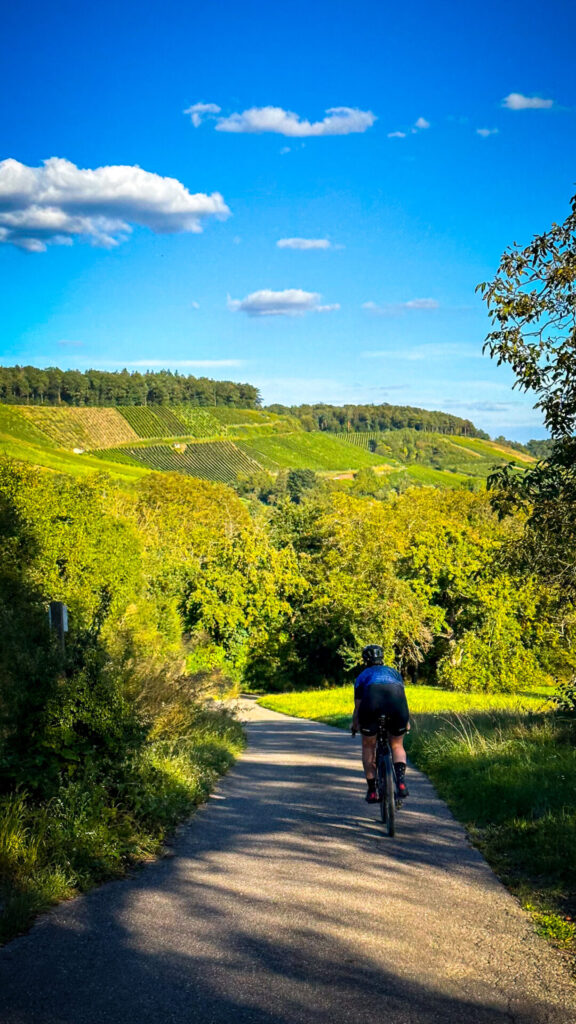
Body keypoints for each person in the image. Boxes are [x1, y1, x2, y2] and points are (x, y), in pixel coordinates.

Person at [351, 644, 410, 803]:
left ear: (365, 660)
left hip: (371, 703)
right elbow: (402, 697)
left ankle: (371, 790)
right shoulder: (394, 672)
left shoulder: (363, 676)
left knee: (368, 745)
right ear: (382, 658)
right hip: (398, 704)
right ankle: (401, 782)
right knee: (397, 745)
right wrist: (406, 721)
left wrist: (355, 723)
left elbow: (358, 705)